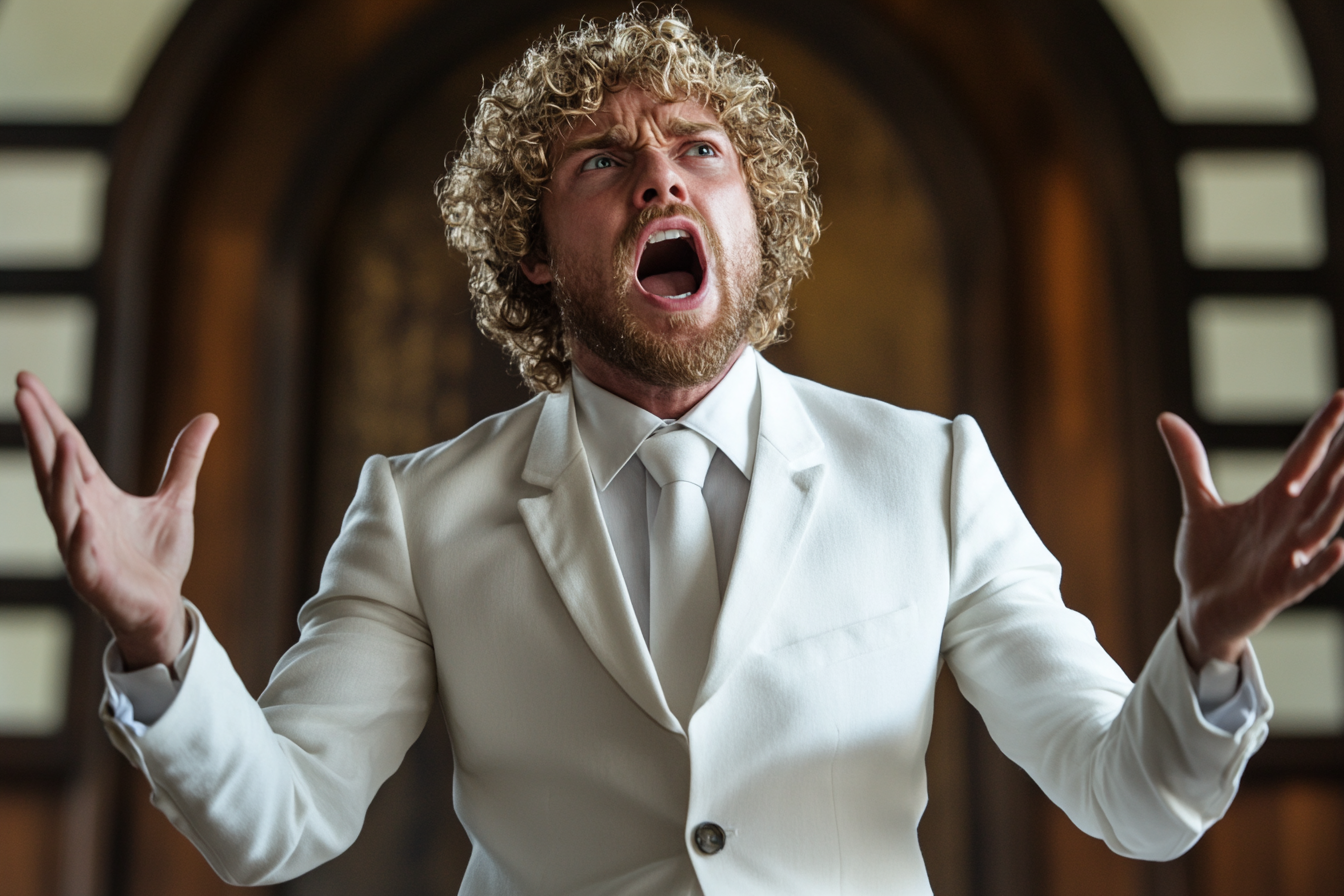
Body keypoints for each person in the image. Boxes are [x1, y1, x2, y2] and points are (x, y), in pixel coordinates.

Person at [13, 9, 1344, 894]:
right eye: (603, 162)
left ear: (751, 221)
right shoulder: (419, 512)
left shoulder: (930, 473)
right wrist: (153, 639)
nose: (662, 180)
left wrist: (1212, 645)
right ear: (533, 252)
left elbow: (1131, 798)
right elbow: (278, 823)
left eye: (700, 152)